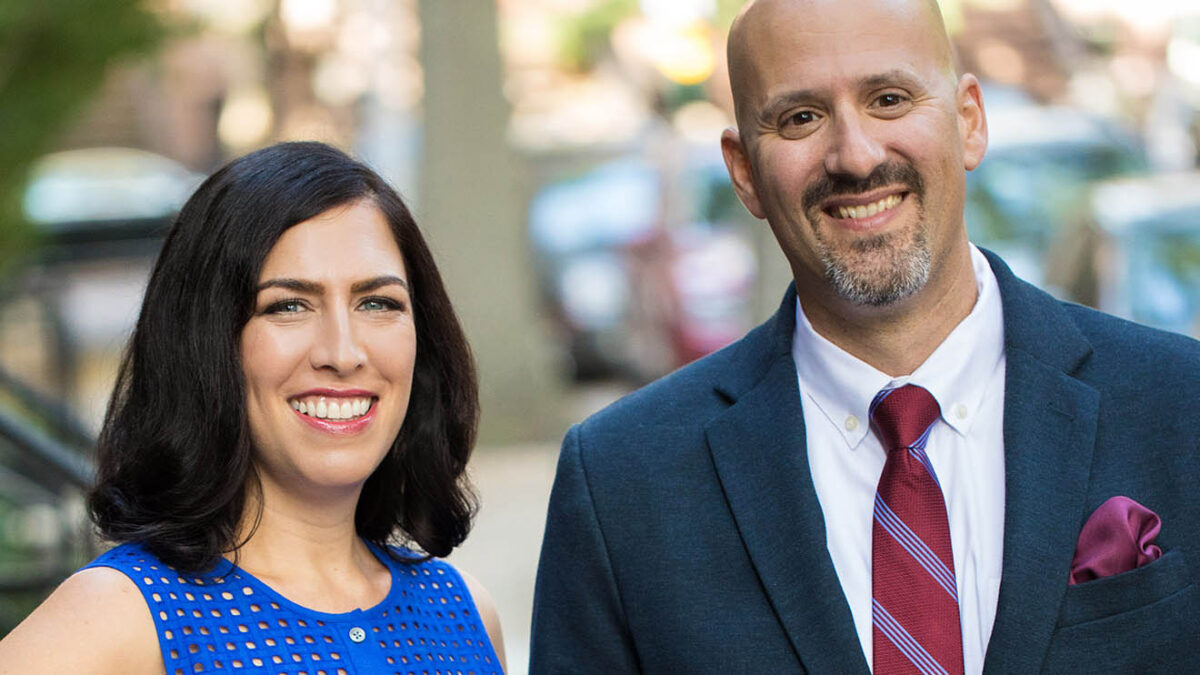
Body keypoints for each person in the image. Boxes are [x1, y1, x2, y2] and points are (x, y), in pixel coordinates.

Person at [530, 0, 1200, 672]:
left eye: (888, 98)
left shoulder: (1181, 407)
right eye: (801, 117)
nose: (855, 155)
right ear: (743, 171)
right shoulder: (622, 483)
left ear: (969, 120)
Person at [0, 142, 506, 674]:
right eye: (288, 306)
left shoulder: (466, 613)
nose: (343, 353)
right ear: (205, 343)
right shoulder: (121, 616)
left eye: (377, 303)